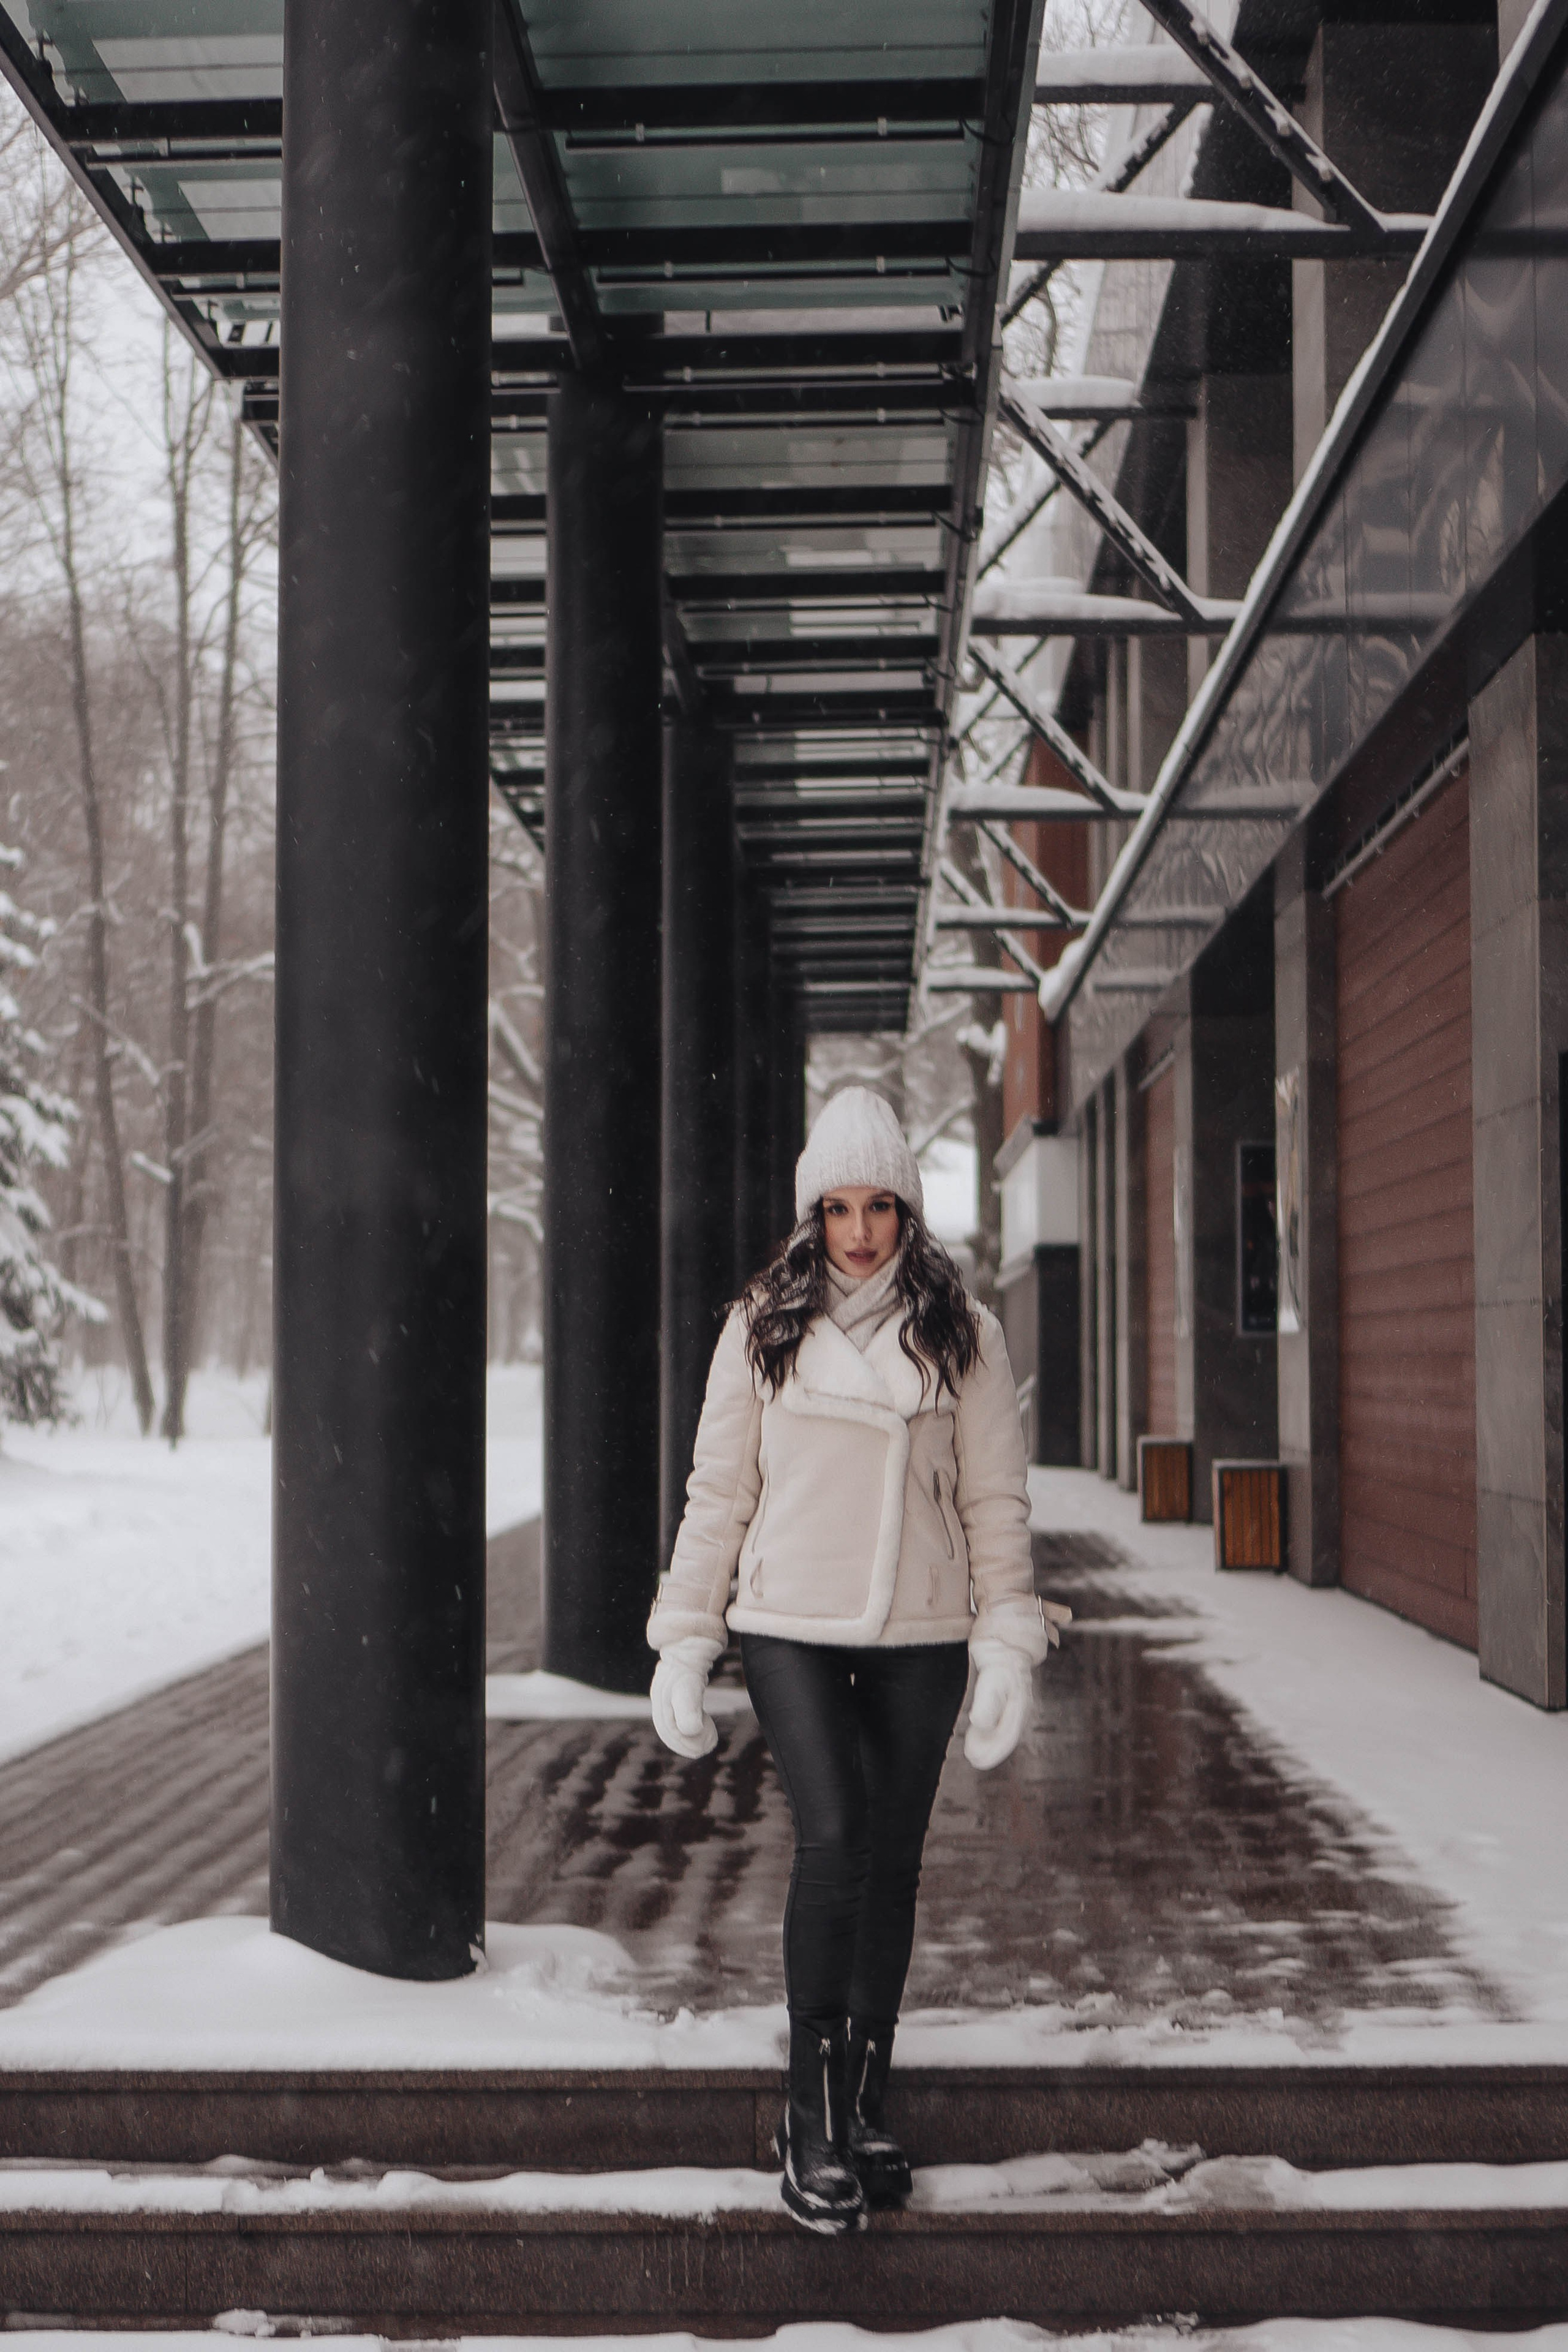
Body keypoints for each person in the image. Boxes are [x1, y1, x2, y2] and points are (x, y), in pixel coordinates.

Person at [646, 1087, 1070, 2236]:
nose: (860, 1231)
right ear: (812, 1214)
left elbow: (994, 1501)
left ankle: (865, 2103)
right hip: (789, 1623)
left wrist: (1006, 1639)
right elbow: (718, 1495)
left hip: (919, 1633)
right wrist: (686, 1638)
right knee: (835, 1837)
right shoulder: (761, 1328)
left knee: (891, 1863)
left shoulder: (962, 1333)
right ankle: (808, 2114)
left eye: (879, 1206)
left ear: (907, 1210)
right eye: (839, 1208)